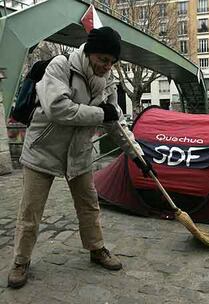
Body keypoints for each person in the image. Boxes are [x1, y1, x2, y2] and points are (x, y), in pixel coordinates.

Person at [8, 26, 152, 288]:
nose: (106, 66)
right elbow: (58, 109)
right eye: (102, 60)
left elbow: (116, 123)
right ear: (89, 52)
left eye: (111, 62)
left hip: (79, 151)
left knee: (89, 205)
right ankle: (21, 260)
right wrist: (100, 114)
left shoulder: (108, 82)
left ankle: (97, 249)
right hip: (43, 148)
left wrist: (138, 157)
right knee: (31, 210)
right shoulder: (59, 67)